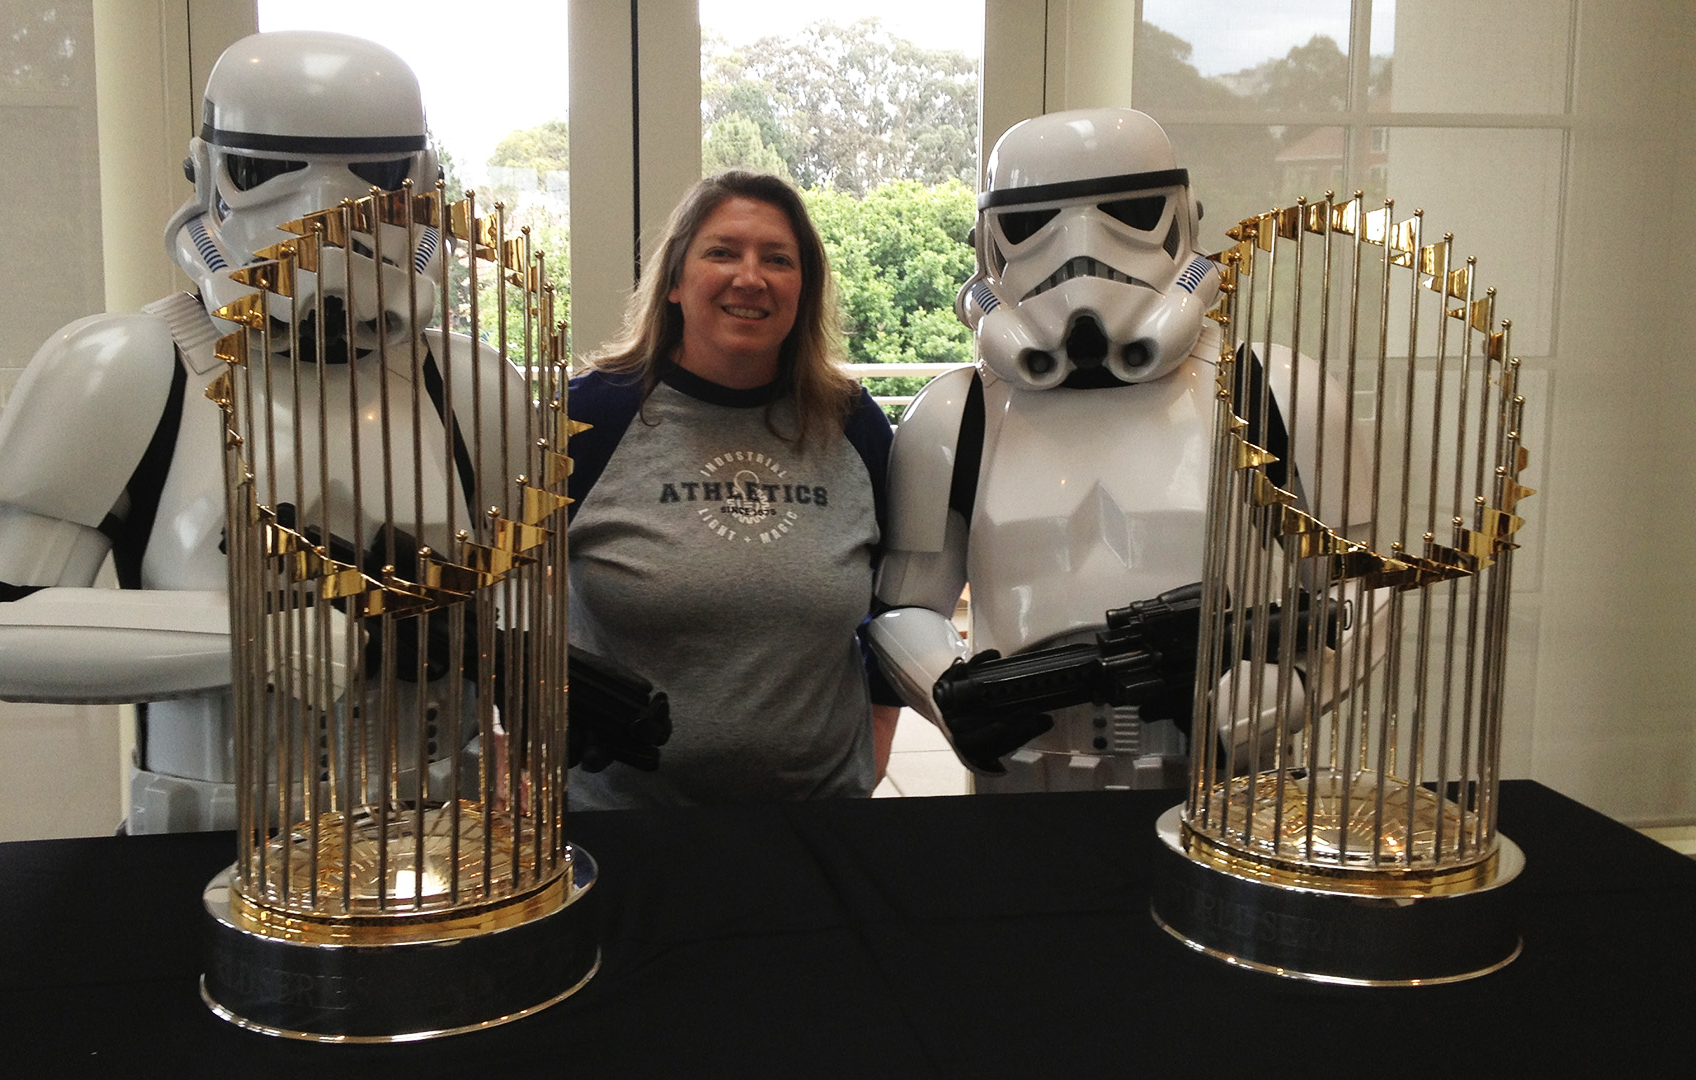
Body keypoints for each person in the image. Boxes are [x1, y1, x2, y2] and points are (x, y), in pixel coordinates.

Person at [0, 31, 523, 832]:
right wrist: (262, 636)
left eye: (379, 179)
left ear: (421, 184)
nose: (324, 220)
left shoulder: (471, 385)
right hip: (209, 832)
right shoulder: (124, 368)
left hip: (435, 830)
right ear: (209, 175)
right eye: (264, 174)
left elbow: (516, 613)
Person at [868, 109, 1376, 793]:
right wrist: (946, 693)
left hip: (1235, 780)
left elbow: (1368, 586)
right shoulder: (958, 414)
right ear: (988, 242)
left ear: (1182, 218)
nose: (1080, 248)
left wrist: (1288, 695)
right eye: (1033, 221)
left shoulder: (1273, 393)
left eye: (1127, 212)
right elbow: (906, 608)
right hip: (1025, 777)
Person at [563, 171, 902, 809]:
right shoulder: (588, 417)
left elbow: (901, 602)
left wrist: (881, 729)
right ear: (673, 281)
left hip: (821, 815)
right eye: (722, 252)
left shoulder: (853, 423)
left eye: (778, 259)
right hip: (619, 821)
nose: (751, 277)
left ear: (804, 289)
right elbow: (504, 598)